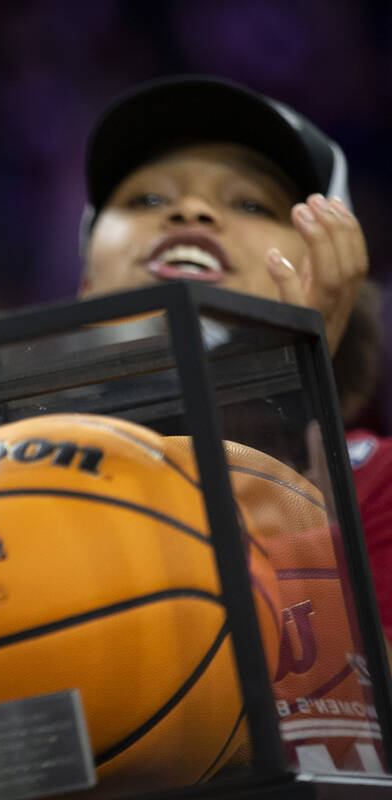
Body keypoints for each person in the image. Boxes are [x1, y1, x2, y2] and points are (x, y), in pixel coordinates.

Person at [77, 74, 388, 774]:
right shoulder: (1, 476)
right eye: (146, 199)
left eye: (250, 202)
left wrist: (286, 397)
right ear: (87, 285)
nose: (189, 210)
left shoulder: (384, 481)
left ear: (333, 263)